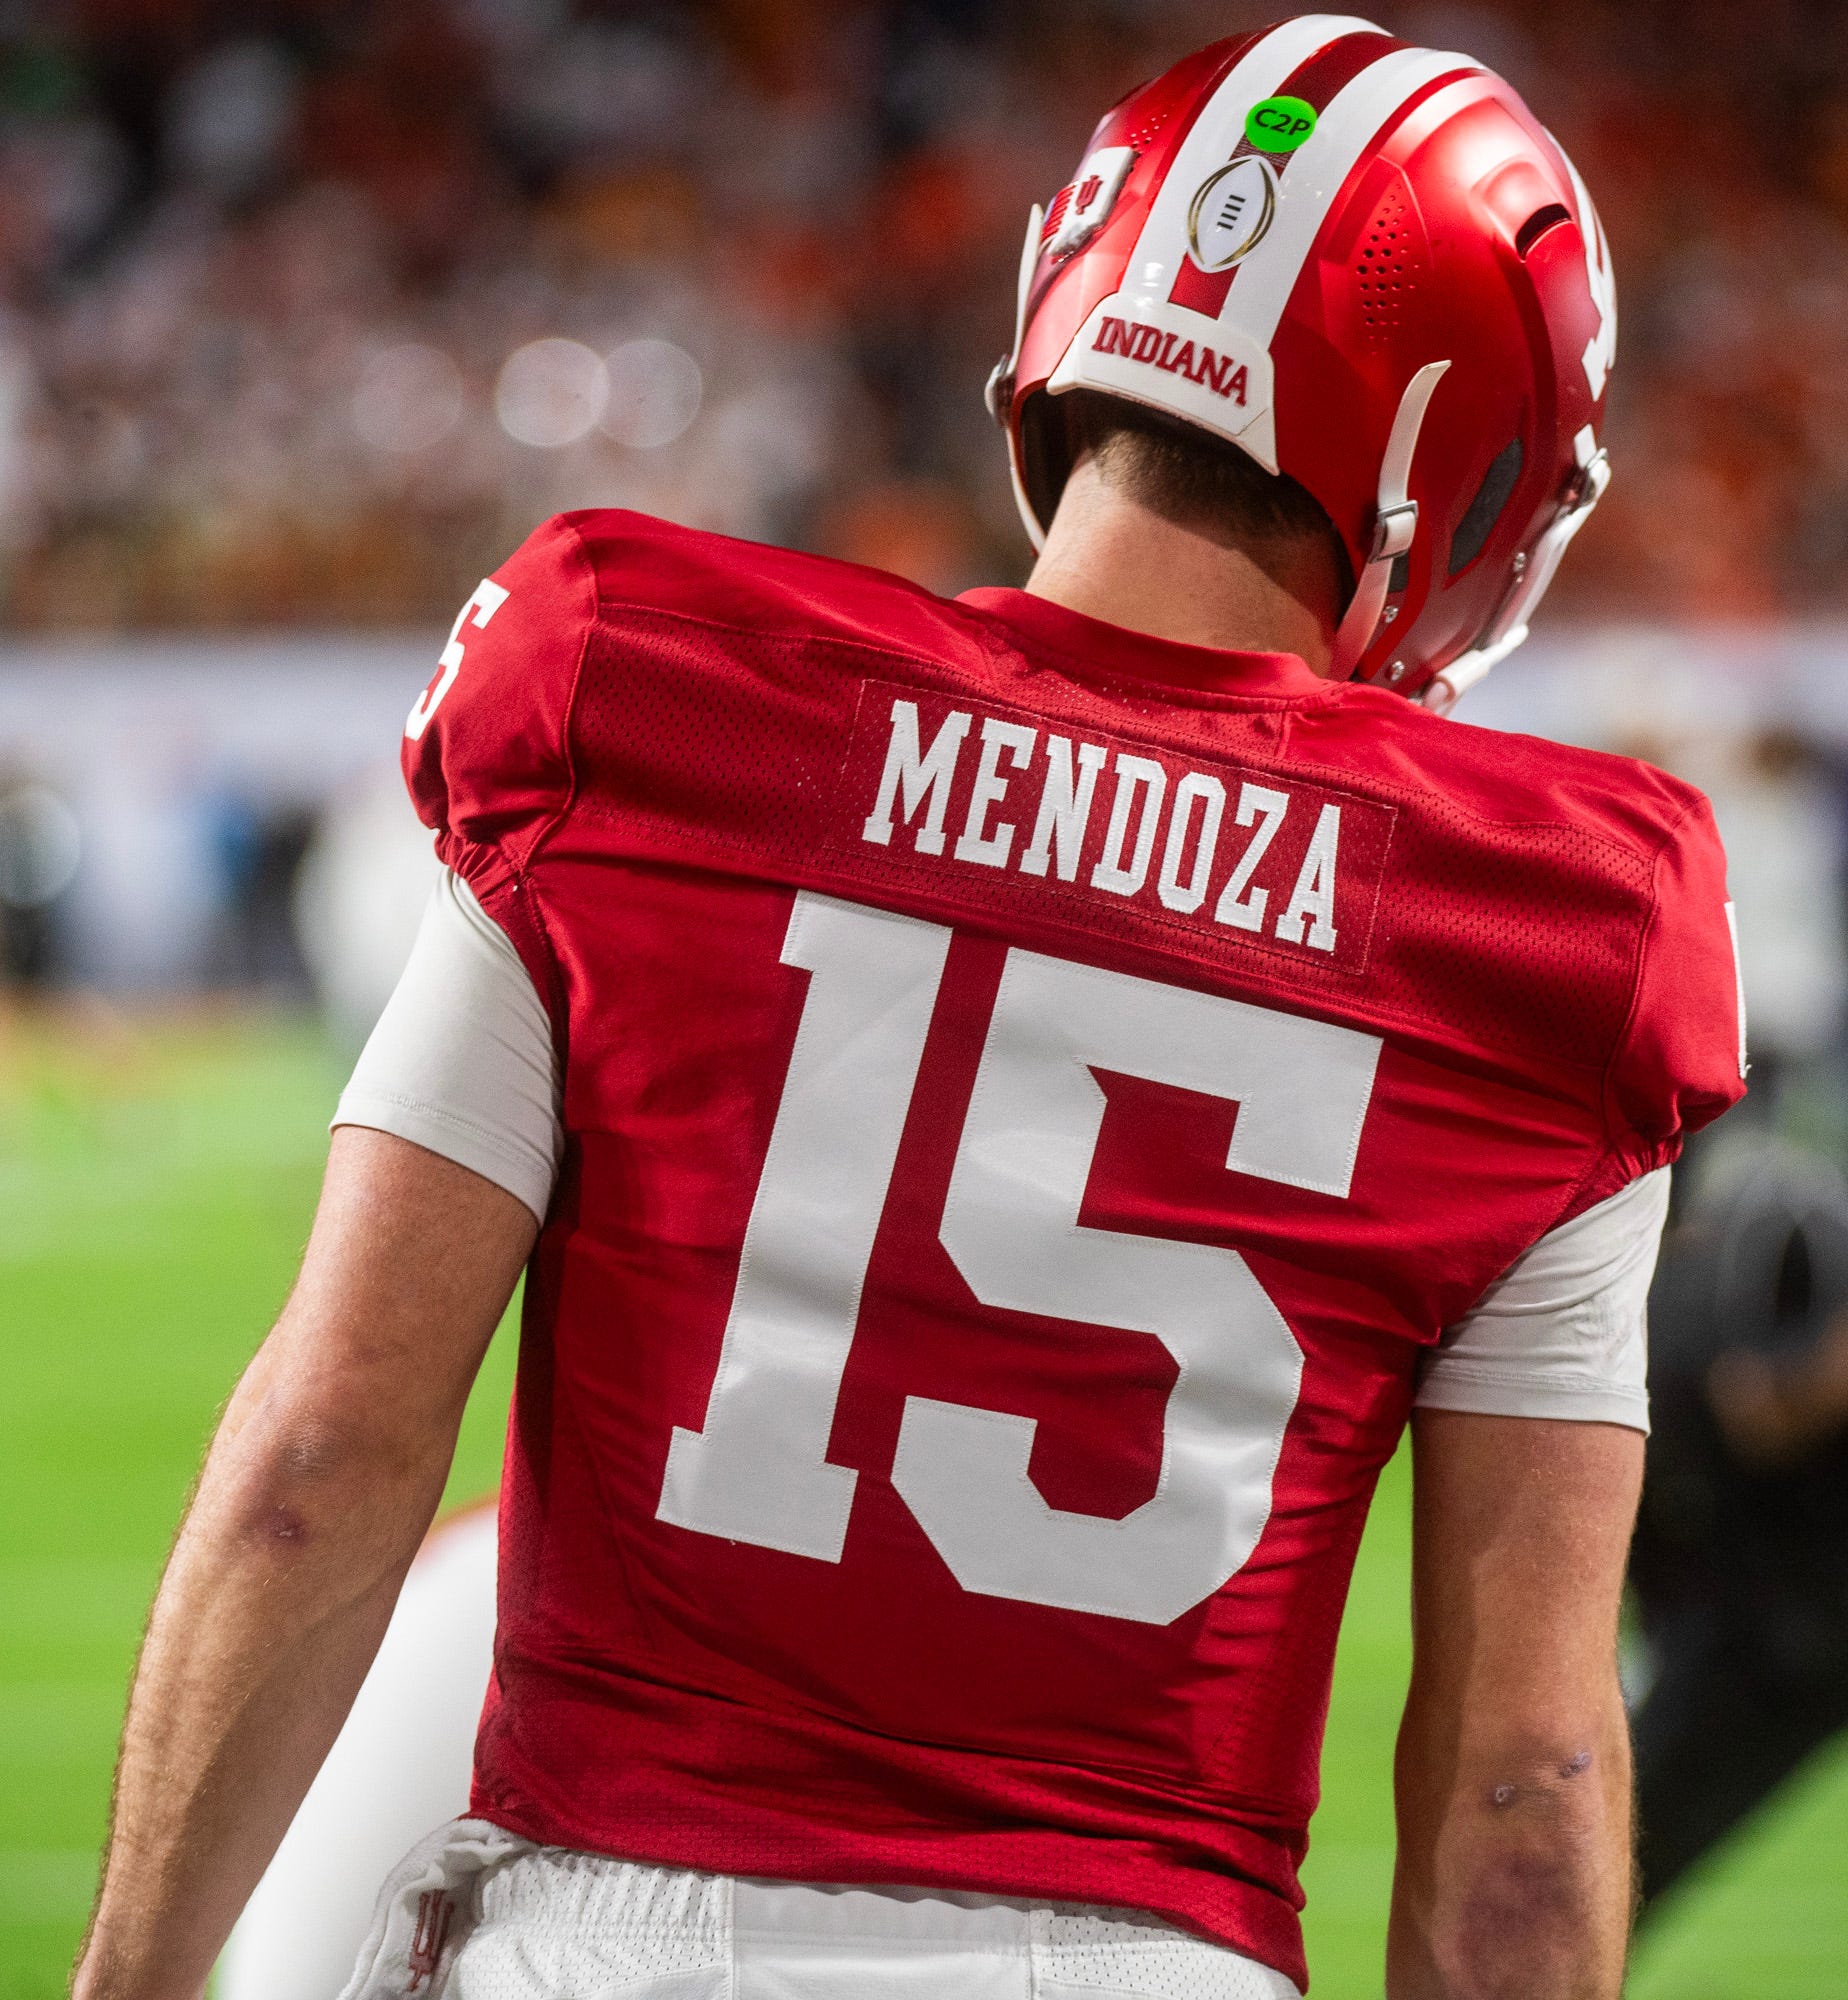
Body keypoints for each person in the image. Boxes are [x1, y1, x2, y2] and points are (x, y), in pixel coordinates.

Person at [74, 17, 1747, 2000]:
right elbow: (1525, 1781)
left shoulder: (646, 694)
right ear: (1461, 468)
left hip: (608, 1942)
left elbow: (321, 1468)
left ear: (1073, 304)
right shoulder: (1557, 923)